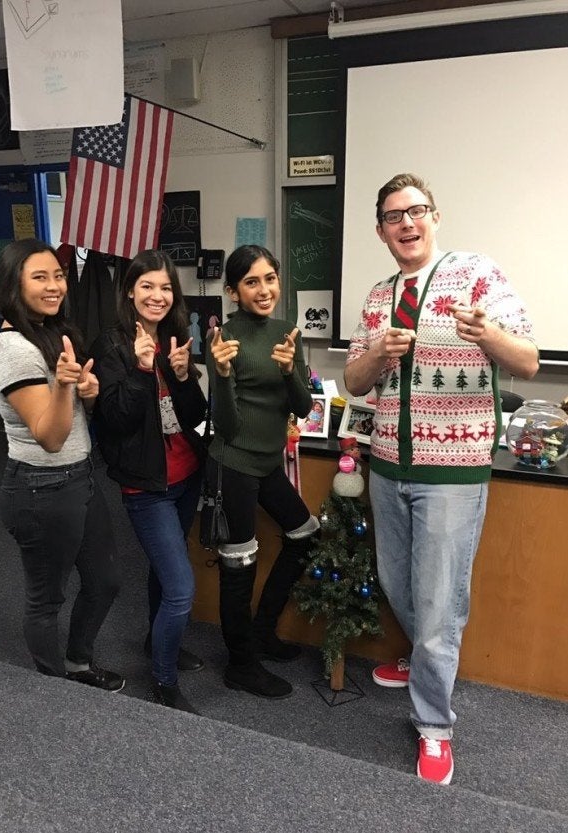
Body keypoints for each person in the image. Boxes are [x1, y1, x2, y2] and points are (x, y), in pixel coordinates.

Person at [344, 173, 538, 785]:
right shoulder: (378, 296)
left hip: (453, 471)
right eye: (394, 216)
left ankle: (434, 726)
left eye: (416, 211)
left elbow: (528, 363)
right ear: (380, 230)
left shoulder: (477, 275)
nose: (407, 223)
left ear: (434, 216)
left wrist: (487, 335)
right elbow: (355, 380)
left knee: (437, 598)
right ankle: (430, 656)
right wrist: (380, 355)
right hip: (386, 462)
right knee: (397, 580)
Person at [0, 238, 123, 691]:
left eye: (58, 275)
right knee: (46, 600)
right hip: (39, 487)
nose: (54, 286)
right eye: (39, 277)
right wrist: (66, 389)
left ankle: (78, 664)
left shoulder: (47, 332)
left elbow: (70, 414)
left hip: (78, 478)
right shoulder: (14, 350)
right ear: (12, 285)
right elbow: (49, 437)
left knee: (105, 581)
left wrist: (86, 391)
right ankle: (56, 691)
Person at [90, 250, 207, 714]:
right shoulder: (111, 344)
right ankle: (163, 679)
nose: (157, 296)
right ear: (130, 292)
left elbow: (195, 416)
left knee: (165, 571)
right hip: (146, 487)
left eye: (165, 288)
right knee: (181, 588)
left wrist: (181, 376)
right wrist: (141, 369)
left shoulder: (176, 337)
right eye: (148, 287)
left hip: (185, 477)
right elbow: (114, 421)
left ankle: (158, 644)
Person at [206, 244, 320, 699]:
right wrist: (219, 373)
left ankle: (261, 630)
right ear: (233, 291)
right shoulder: (225, 339)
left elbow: (304, 407)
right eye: (251, 282)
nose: (264, 289)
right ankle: (240, 664)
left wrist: (292, 369)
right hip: (232, 465)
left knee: (306, 536)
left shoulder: (285, 332)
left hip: (269, 463)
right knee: (240, 566)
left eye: (270, 278)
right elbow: (229, 427)